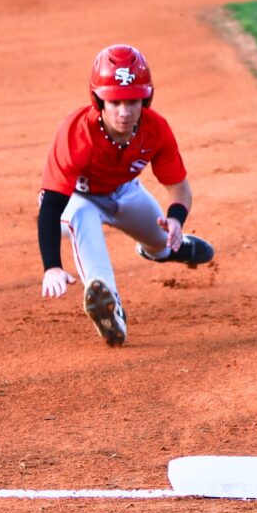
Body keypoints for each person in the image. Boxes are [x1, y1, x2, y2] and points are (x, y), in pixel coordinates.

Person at [38, 44, 214, 347]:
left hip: (126, 191)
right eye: (115, 102)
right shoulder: (76, 134)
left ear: (145, 98)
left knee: (162, 243)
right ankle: (108, 304)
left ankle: (166, 250)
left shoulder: (155, 128)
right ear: (98, 100)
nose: (124, 111)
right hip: (75, 201)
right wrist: (51, 266)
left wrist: (175, 220)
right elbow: (52, 206)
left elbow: (179, 188)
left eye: (132, 101)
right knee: (82, 216)